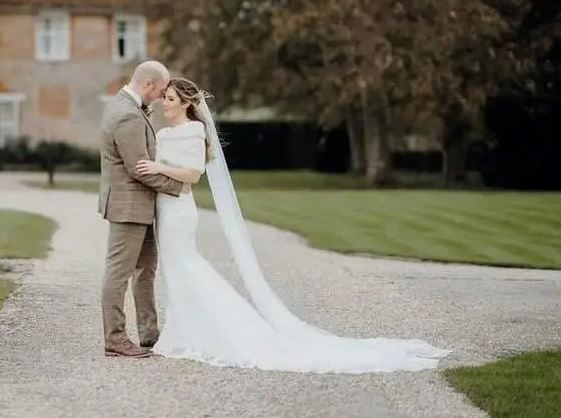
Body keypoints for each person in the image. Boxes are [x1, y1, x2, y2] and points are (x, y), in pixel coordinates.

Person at [132, 76, 453, 373]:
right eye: (164, 98)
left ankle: (213, 330)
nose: (165, 102)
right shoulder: (162, 134)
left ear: (187, 103)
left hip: (180, 212)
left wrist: (158, 166)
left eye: (171, 98)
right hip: (164, 208)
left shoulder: (193, 131)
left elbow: (192, 174)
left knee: (187, 266)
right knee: (175, 270)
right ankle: (185, 328)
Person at [98, 60, 183, 358]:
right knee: (119, 272)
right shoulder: (126, 115)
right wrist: (179, 188)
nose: (161, 97)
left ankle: (149, 333)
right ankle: (115, 338)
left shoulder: (127, 107)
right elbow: (138, 168)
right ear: (147, 84)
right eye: (160, 91)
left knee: (146, 269)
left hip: (140, 205)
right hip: (128, 205)